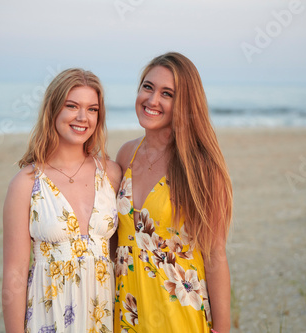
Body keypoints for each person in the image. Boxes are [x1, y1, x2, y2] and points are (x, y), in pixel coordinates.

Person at [113, 52, 233, 333]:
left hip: (179, 314)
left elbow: (215, 255)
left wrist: (223, 329)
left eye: (167, 93)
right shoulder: (126, 154)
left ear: (184, 103)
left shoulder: (200, 166)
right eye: (147, 87)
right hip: (127, 311)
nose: (152, 100)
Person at [2, 68, 122, 333]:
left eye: (92, 109)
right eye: (72, 106)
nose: (82, 118)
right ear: (53, 109)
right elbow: (15, 274)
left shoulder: (111, 173)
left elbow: (120, 252)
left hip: (104, 315)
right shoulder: (26, 183)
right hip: (49, 315)